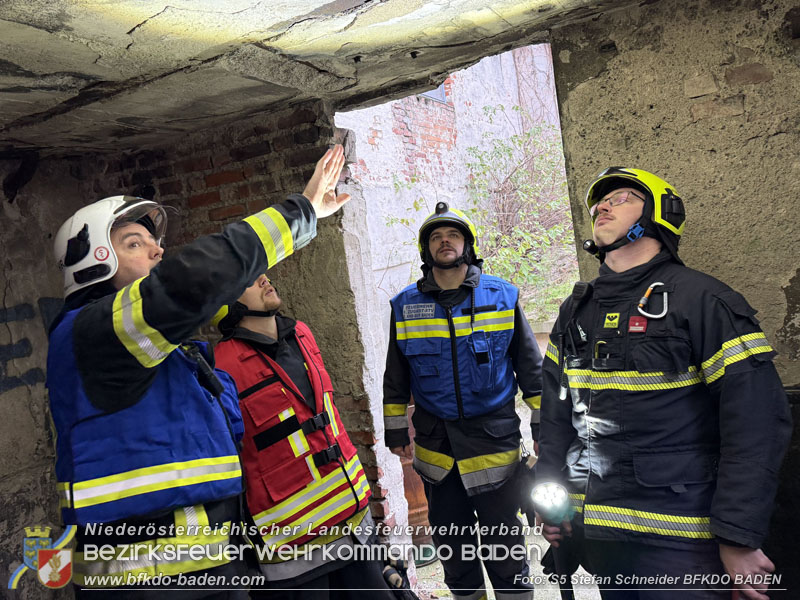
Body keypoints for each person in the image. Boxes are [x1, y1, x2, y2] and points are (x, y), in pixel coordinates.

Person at [47, 145, 350, 597]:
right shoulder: (94, 332)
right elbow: (191, 280)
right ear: (94, 262)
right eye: (134, 243)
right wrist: (300, 213)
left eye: (153, 242)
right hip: (147, 582)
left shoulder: (168, 352)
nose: (157, 250)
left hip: (205, 569)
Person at [536, 167, 792, 600]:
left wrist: (737, 538)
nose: (603, 206)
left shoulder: (703, 300)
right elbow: (555, 416)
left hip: (683, 544)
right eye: (600, 202)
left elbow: (756, 425)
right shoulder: (576, 312)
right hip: (599, 533)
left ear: (659, 213)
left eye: (622, 198)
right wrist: (551, 500)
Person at [382, 202, 543, 600]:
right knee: (453, 548)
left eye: (452, 235)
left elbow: (530, 367)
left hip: (494, 445)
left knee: (504, 546)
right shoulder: (405, 306)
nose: (445, 242)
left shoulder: (502, 296)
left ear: (467, 245)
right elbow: (396, 374)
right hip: (437, 451)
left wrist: (543, 425)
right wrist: (395, 429)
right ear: (426, 250)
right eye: (436, 237)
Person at [212, 274, 396, 599]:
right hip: (294, 550)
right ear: (226, 301)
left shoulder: (301, 333)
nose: (264, 279)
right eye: (249, 279)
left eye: (261, 271)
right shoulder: (221, 366)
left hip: (354, 525)